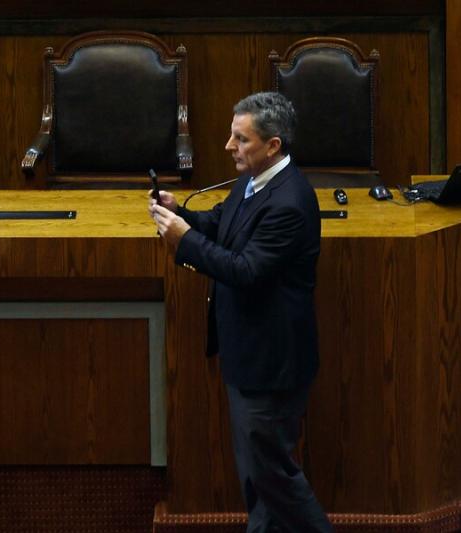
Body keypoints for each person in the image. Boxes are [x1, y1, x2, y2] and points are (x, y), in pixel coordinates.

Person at [149, 92, 333, 532]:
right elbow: (224, 224)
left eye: (240, 138)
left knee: (275, 478)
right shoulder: (254, 181)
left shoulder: (289, 202)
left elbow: (246, 269)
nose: (229, 146)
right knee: (258, 478)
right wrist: (184, 216)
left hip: (271, 364)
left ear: (273, 145)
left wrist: (182, 239)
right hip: (247, 354)